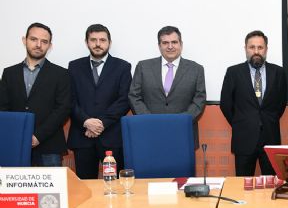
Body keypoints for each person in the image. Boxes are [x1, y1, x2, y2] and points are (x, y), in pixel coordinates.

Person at [0, 22, 71, 166]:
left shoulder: (61, 74)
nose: (39, 45)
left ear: (50, 45)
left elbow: (63, 109)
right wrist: (18, 136)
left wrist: (38, 136)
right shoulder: (9, 73)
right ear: (24, 40)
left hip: (50, 146)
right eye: (33, 39)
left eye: (44, 41)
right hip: (15, 144)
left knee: (52, 183)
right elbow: (3, 108)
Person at [67, 24, 132, 179]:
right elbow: (69, 99)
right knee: (85, 186)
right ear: (86, 42)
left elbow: (124, 100)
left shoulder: (123, 67)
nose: (98, 44)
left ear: (109, 42)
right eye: (93, 40)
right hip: (83, 136)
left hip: (112, 137)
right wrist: (86, 121)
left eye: (102, 40)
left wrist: (100, 123)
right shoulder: (74, 66)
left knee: (115, 185)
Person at [220, 30, 288, 176]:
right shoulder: (233, 72)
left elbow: (281, 103)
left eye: (260, 47)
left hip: (270, 138)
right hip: (243, 138)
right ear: (245, 49)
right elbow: (226, 104)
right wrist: (241, 122)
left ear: (266, 49)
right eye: (252, 47)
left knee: (271, 183)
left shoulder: (279, 72)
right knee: (243, 184)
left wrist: (268, 119)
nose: (256, 51)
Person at [129, 26, 206, 146]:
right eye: (165, 43)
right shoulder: (143, 67)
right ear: (159, 46)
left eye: (174, 42)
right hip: (149, 132)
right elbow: (134, 96)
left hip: (182, 133)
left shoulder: (196, 69)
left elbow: (199, 100)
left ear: (181, 44)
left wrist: (179, 122)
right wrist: (150, 121)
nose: (170, 46)